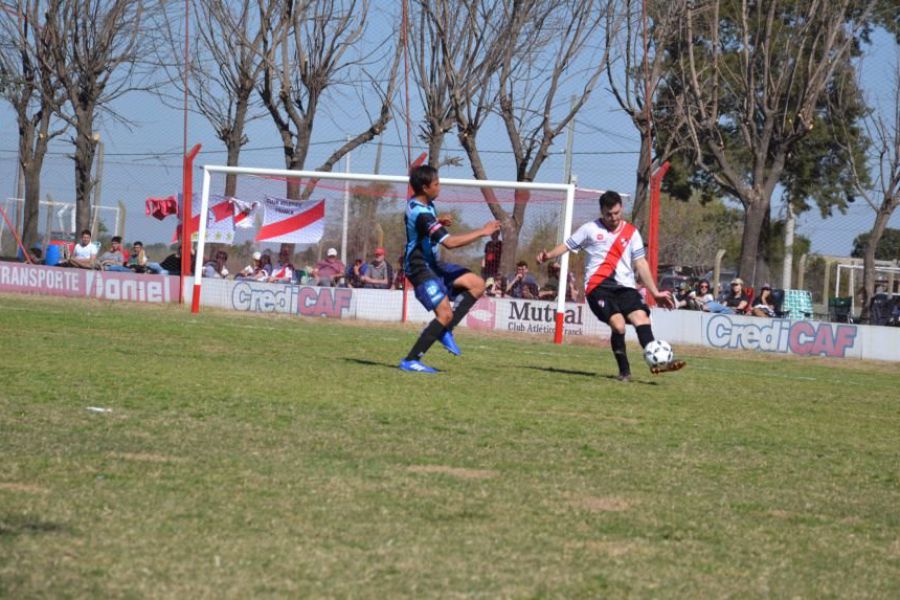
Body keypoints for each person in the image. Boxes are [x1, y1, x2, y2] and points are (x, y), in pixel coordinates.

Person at [537, 190, 685, 380]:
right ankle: (624, 372)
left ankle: (658, 363)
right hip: (598, 288)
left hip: (625, 287)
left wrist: (655, 293)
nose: (613, 218)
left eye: (616, 213)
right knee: (619, 325)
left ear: (621, 209)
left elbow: (641, 263)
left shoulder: (632, 233)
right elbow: (567, 244)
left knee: (642, 318)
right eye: (609, 214)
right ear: (602, 211)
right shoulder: (590, 229)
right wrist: (549, 255)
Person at [399, 165, 500, 373]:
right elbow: (450, 243)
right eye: (436, 184)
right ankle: (410, 360)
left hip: (433, 264)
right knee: (444, 314)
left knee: (477, 284)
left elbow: (421, 225)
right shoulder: (422, 214)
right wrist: (483, 231)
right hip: (419, 268)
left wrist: (438, 220)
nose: (439, 187)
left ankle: (445, 332)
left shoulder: (423, 205)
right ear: (425, 188)